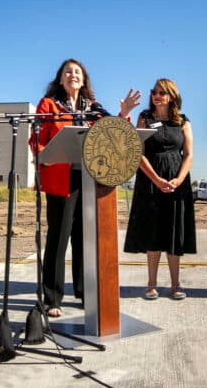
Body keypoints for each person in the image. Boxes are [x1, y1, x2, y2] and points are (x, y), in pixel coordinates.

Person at [33, 58, 140, 318]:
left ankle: (83, 292)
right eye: (68, 71)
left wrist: (123, 114)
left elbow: (109, 132)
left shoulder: (92, 107)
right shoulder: (48, 105)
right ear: (60, 78)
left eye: (77, 72)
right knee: (58, 239)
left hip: (90, 179)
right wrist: (43, 157)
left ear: (84, 79)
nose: (73, 75)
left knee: (84, 238)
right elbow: (36, 139)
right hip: (61, 178)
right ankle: (53, 297)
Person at [124, 78, 197, 300]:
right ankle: (151, 284)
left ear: (172, 96)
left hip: (178, 182)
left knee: (174, 232)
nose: (157, 95)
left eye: (163, 92)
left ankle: (176, 285)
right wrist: (156, 179)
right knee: (153, 231)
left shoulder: (183, 122)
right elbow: (138, 152)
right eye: (154, 92)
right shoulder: (144, 119)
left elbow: (189, 154)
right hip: (150, 181)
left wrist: (178, 179)